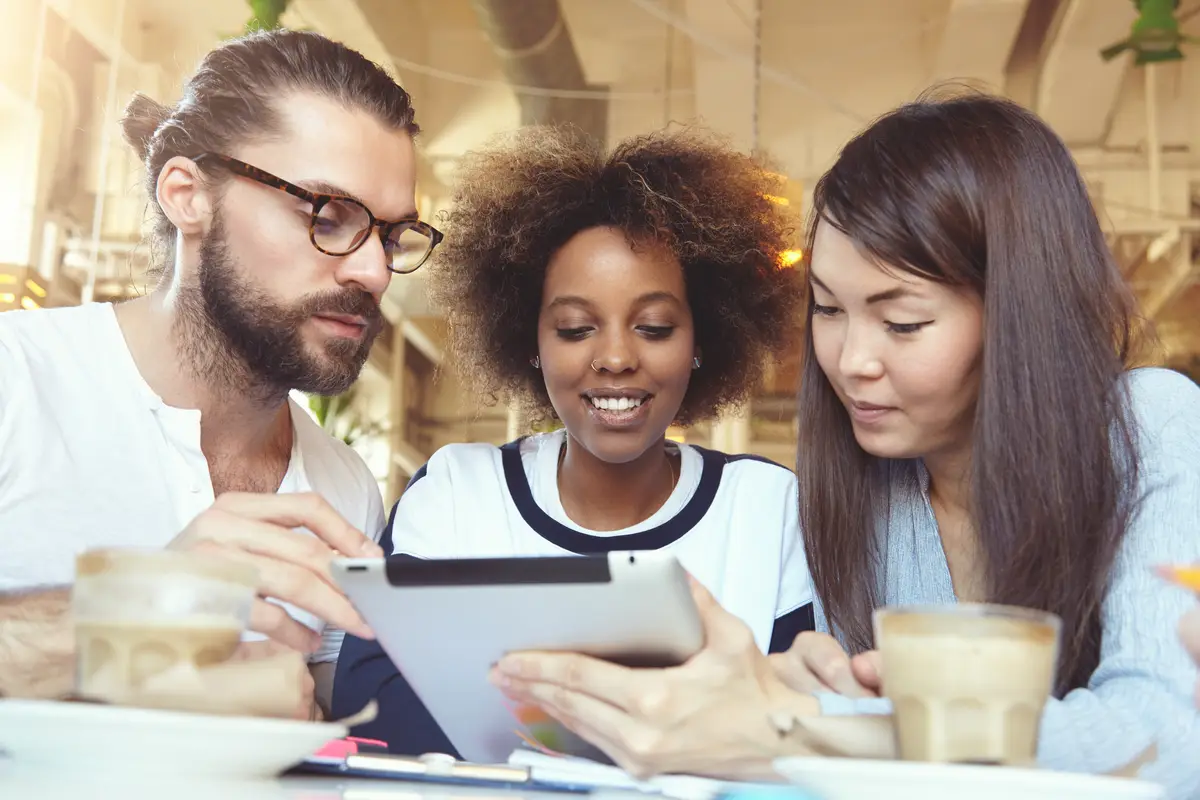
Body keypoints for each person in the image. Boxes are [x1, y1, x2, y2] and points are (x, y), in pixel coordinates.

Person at [482, 92, 1200, 794]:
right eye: (827, 309)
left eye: (903, 322)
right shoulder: (863, 492)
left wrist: (800, 726)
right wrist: (795, 694)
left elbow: (1168, 740)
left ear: (1019, 308)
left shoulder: (1151, 426)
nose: (851, 360)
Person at [0, 29, 443, 718]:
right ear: (187, 195)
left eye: (389, 236)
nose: (374, 272)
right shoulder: (15, 379)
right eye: (328, 216)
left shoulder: (345, 489)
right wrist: (126, 613)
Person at [331, 125, 815, 752]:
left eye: (655, 326)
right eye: (575, 328)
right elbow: (370, 708)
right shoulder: (457, 494)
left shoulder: (767, 509)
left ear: (703, 340)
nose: (615, 357)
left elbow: (800, 725)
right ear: (529, 341)